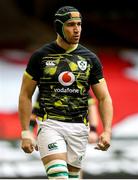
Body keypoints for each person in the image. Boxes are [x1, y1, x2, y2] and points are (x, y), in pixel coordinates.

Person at [18, 6, 113, 179]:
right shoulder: (40, 57)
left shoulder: (90, 59)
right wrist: (26, 132)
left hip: (79, 128)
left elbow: (104, 97)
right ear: (59, 27)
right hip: (50, 125)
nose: (77, 29)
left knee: (73, 177)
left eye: (79, 24)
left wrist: (106, 130)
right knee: (59, 177)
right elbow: (25, 94)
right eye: (71, 24)